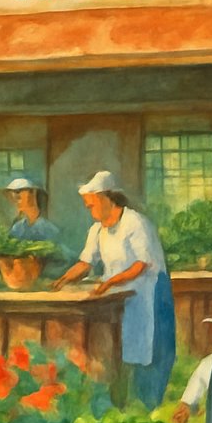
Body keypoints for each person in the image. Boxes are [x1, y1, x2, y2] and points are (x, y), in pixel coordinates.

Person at [52, 171, 176, 407]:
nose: (90, 211)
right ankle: (122, 405)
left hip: (150, 297)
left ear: (107, 198)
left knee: (151, 354)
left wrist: (108, 282)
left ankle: (151, 405)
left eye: (91, 205)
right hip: (122, 299)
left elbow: (142, 264)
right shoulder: (97, 230)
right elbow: (86, 263)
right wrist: (64, 279)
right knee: (121, 353)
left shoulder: (135, 223)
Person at [2, 176, 70, 276]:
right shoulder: (17, 228)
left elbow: (64, 260)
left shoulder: (49, 229)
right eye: (13, 193)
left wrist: (42, 271)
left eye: (19, 192)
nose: (15, 197)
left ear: (33, 193)